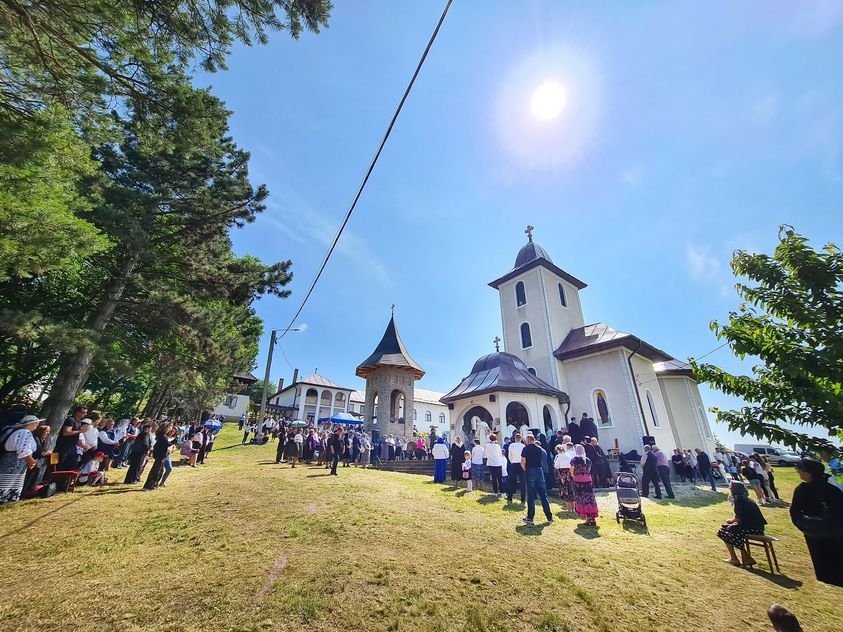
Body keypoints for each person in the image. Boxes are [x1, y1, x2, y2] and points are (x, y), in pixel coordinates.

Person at [789, 458, 843, 587]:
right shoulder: (833, 489)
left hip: (815, 531)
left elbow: (795, 512)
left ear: (809, 472)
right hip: (836, 531)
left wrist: (803, 524)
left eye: (800, 470)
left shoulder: (802, 489)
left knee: (824, 561)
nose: (799, 472)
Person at [717, 480, 767, 567]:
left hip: (752, 529)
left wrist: (730, 521)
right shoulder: (746, 499)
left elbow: (738, 519)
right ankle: (742, 556)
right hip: (757, 527)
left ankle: (735, 558)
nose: (729, 488)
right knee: (730, 529)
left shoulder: (739, 500)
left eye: (731, 487)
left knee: (723, 531)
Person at [0, 415, 40, 504]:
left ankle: (8, 498)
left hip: (16, 460)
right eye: (36, 422)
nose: (37, 424)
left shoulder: (18, 431)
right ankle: (4, 498)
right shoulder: (25, 432)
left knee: (13, 480)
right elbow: (23, 449)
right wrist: (31, 461)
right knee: (8, 479)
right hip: (15, 460)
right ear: (30, 423)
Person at [521, 434, 553, 525]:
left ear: (528, 440)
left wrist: (526, 470)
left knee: (531, 495)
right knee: (543, 494)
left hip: (530, 470)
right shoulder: (539, 449)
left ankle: (530, 517)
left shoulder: (526, 449)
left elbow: (523, 461)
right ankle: (549, 516)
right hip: (539, 470)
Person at [570, 444, 598, 526]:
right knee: (589, 497)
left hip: (578, 480)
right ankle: (592, 517)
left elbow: (572, 470)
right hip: (588, 479)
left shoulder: (574, 460)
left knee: (581, 498)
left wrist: (573, 476)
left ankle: (588, 517)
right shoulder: (587, 460)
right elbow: (589, 469)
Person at [23, 423, 52, 495]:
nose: (48, 433)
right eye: (46, 431)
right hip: (32, 460)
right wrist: (46, 453)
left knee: (35, 474)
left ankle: (31, 489)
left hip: (37, 460)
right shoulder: (35, 438)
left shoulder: (42, 439)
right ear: (41, 431)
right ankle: (26, 491)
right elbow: (38, 451)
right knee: (29, 476)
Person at [55, 405, 87, 470]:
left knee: (72, 464)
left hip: (72, 446)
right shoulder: (71, 420)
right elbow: (66, 432)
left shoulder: (79, 422)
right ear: (78, 412)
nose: (85, 414)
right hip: (64, 446)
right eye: (83, 412)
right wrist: (80, 431)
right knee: (61, 464)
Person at [144, 423, 173, 490]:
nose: (170, 429)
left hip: (159, 455)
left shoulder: (161, 435)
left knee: (157, 470)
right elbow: (166, 444)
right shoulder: (163, 436)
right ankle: (152, 484)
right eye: (169, 427)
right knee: (157, 471)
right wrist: (174, 441)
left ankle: (152, 484)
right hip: (160, 456)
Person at [554, 443, 575, 512]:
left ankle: (569, 508)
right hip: (569, 473)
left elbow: (556, 466)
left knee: (564, 491)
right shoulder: (568, 456)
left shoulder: (558, 456)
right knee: (570, 490)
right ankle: (573, 508)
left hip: (562, 474)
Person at [506, 433, 526, 504]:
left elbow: (509, 456)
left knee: (512, 481)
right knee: (523, 482)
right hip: (521, 464)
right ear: (521, 439)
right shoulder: (523, 446)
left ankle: (510, 497)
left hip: (514, 463)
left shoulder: (511, 445)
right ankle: (523, 499)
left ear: (514, 438)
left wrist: (512, 461)